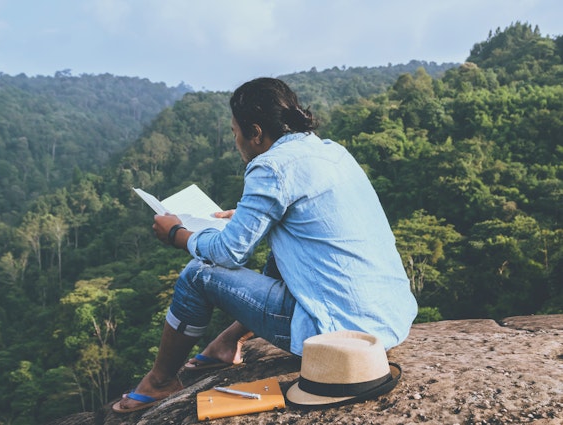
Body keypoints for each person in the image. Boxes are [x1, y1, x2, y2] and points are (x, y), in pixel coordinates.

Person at [112, 77, 418, 413]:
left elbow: (230, 253)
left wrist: (178, 234)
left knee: (198, 274)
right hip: (387, 320)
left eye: (235, 132)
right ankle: (228, 342)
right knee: (284, 246)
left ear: (255, 133)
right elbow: (308, 227)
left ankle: (160, 381)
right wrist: (244, 218)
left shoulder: (270, 165)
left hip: (336, 334)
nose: (236, 141)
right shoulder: (330, 151)